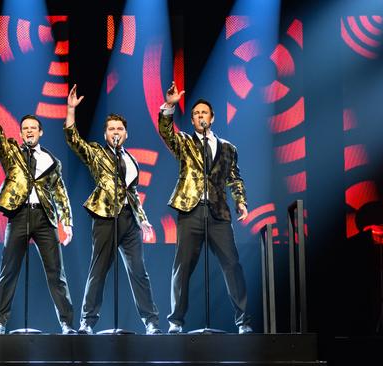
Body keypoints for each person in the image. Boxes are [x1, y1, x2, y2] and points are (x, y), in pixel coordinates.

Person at [0, 75, 76, 335]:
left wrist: (67, 222)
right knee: (8, 271)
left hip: (44, 218)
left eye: (34, 128)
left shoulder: (51, 160)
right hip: (19, 215)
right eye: (25, 129)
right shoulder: (12, 153)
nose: (29, 131)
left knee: (56, 273)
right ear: (20, 133)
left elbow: (60, 192)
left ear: (40, 132)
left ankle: (67, 324)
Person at [64, 85, 161, 335]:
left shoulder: (131, 159)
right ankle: (87, 321)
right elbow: (74, 141)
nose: (115, 132)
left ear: (125, 134)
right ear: (105, 134)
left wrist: (144, 220)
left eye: (119, 129)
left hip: (129, 219)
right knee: (98, 270)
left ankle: (151, 321)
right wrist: (71, 110)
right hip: (106, 216)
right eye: (111, 129)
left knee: (139, 271)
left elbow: (132, 192)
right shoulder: (97, 152)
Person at [158, 81, 252, 334]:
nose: (200, 116)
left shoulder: (228, 148)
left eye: (204, 113)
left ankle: (243, 321)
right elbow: (166, 132)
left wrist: (241, 201)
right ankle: (176, 321)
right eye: (196, 113)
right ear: (192, 119)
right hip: (191, 210)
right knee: (183, 266)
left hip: (218, 212)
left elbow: (235, 177)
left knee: (232, 264)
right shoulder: (185, 143)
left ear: (212, 118)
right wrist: (169, 106)